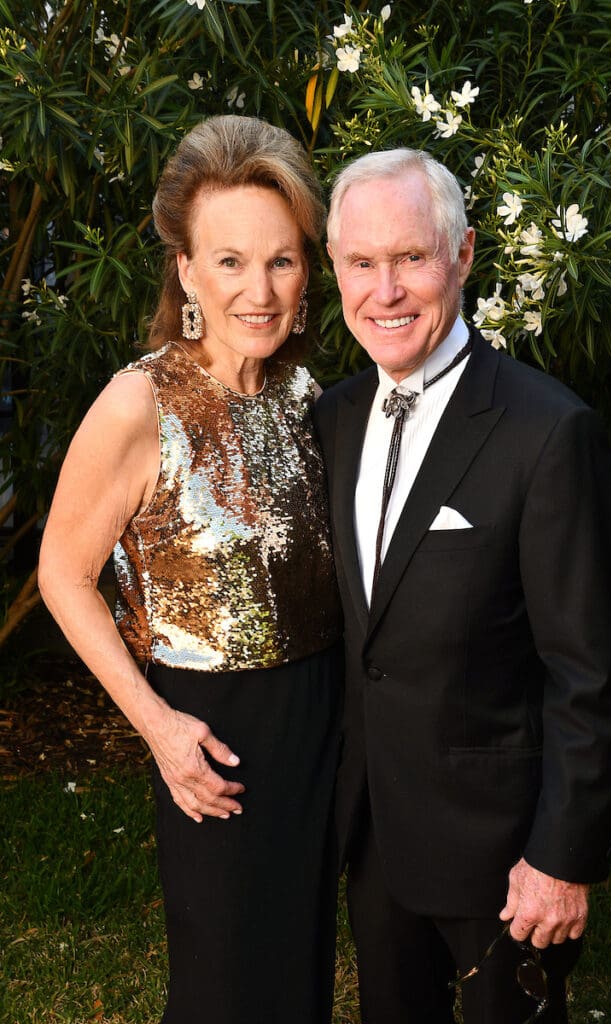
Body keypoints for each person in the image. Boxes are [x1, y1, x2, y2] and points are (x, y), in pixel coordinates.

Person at [315, 147, 611, 1024]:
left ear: (460, 257)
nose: (385, 290)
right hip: (374, 834)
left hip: (504, 857)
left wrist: (560, 858)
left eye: (410, 257)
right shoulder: (334, 418)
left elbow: (592, 674)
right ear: (336, 270)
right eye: (361, 263)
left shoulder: (549, 431)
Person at [38, 114, 343, 1024]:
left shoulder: (304, 394)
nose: (258, 289)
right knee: (222, 987)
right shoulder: (139, 401)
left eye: (281, 261)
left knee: (298, 976)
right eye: (230, 261)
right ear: (185, 272)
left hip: (318, 722)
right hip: (213, 736)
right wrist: (160, 728)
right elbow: (61, 573)